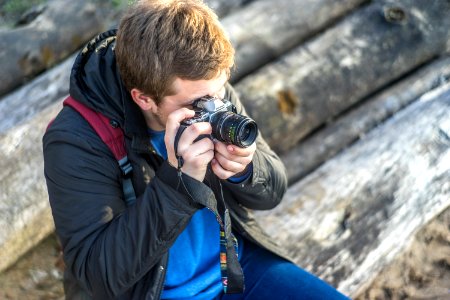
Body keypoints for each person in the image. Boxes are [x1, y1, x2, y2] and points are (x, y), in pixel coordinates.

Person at [43, 0, 349, 299]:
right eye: (197, 105)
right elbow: (101, 274)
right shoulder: (75, 139)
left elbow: (274, 192)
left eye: (219, 93)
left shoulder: (208, 88)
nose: (213, 108)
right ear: (144, 99)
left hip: (236, 267)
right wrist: (179, 182)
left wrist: (245, 170)